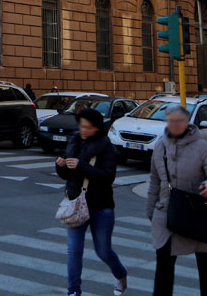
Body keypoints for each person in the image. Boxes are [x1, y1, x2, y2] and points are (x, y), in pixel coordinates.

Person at [146, 103, 207, 296]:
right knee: (164, 259)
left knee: (206, 260)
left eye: (179, 121)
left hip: (197, 211)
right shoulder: (160, 146)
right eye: (171, 120)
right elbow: (155, 180)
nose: (175, 124)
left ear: (187, 122)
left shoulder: (202, 146)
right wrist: (151, 210)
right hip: (168, 211)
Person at [55, 108, 128, 296]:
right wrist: (60, 166)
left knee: (103, 251)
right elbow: (68, 176)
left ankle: (120, 274)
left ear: (96, 128)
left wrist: (82, 166)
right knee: (74, 251)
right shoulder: (75, 141)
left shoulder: (106, 146)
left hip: (100, 206)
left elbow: (108, 177)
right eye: (81, 126)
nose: (84, 130)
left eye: (88, 127)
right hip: (76, 204)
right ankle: (73, 291)